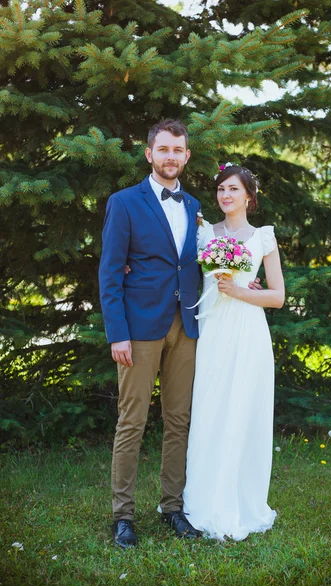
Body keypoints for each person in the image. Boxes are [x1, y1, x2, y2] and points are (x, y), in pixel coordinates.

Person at [99, 119, 202, 547]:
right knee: (133, 421)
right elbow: (109, 271)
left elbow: (196, 264)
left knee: (179, 420)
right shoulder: (124, 202)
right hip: (139, 328)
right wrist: (117, 333)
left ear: (186, 156)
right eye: (163, 150)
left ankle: (172, 508)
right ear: (149, 154)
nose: (170, 157)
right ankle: (123, 516)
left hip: (186, 325)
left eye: (178, 150)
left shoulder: (195, 205)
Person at [183, 163, 285, 541]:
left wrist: (240, 290)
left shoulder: (263, 238)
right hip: (212, 330)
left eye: (233, 189)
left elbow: (277, 296)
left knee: (243, 410)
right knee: (210, 408)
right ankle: (202, 498)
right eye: (221, 189)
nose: (226, 195)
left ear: (248, 197)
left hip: (248, 331)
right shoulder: (204, 232)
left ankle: (240, 500)